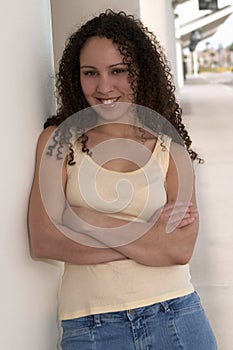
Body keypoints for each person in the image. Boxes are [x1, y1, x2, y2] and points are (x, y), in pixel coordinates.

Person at [28, 9, 217, 350]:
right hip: (92, 326)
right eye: (90, 73)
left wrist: (83, 218)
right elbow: (45, 241)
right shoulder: (59, 141)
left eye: (118, 71)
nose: (103, 87)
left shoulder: (169, 147)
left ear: (141, 72)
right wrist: (148, 236)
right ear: (76, 77)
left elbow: (179, 248)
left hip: (176, 315)